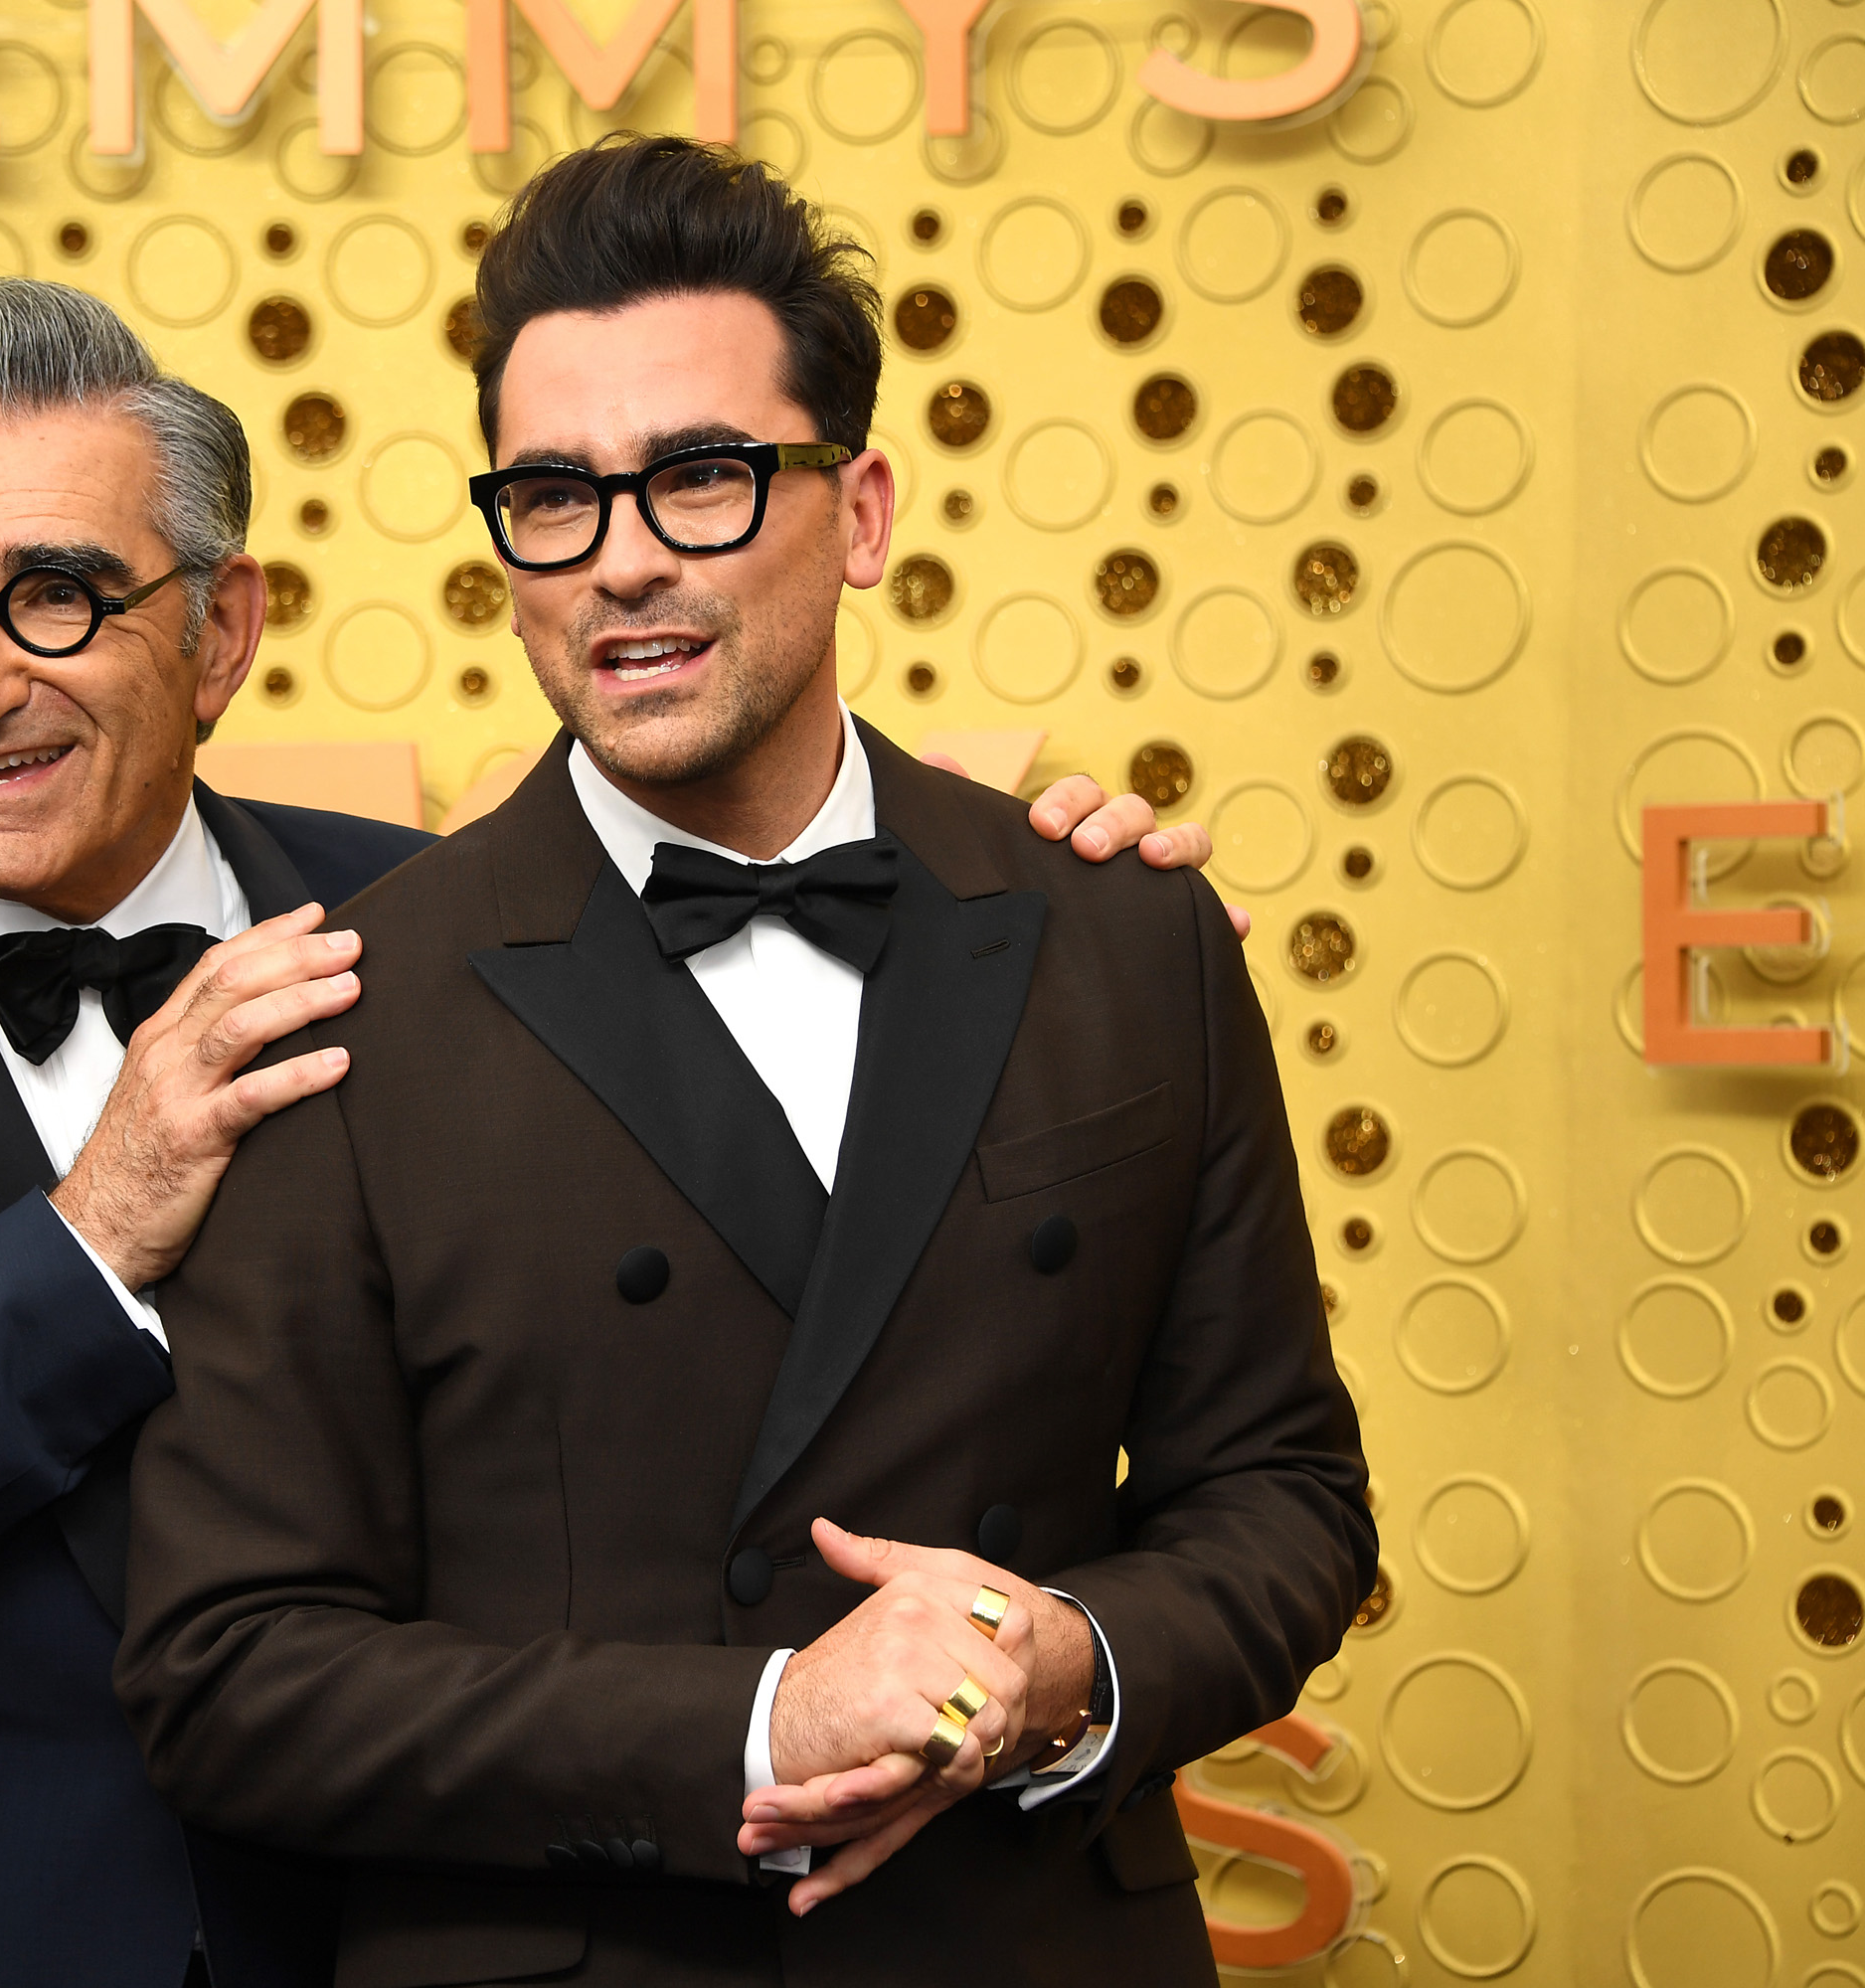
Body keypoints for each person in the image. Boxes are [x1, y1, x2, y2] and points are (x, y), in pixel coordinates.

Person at [0, 277, 1204, 1987]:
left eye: (56, 598)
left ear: (221, 632)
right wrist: (87, 1241)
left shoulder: (439, 929)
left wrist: (1051, 909)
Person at [117, 139, 1375, 1986]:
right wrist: (763, 1729)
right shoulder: (341, 1016)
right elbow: (232, 1675)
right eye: (554, 496)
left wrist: (1063, 1668)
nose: (622, 561)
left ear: (859, 513)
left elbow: (1284, 1499)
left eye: (701, 476)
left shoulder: (1129, 936)